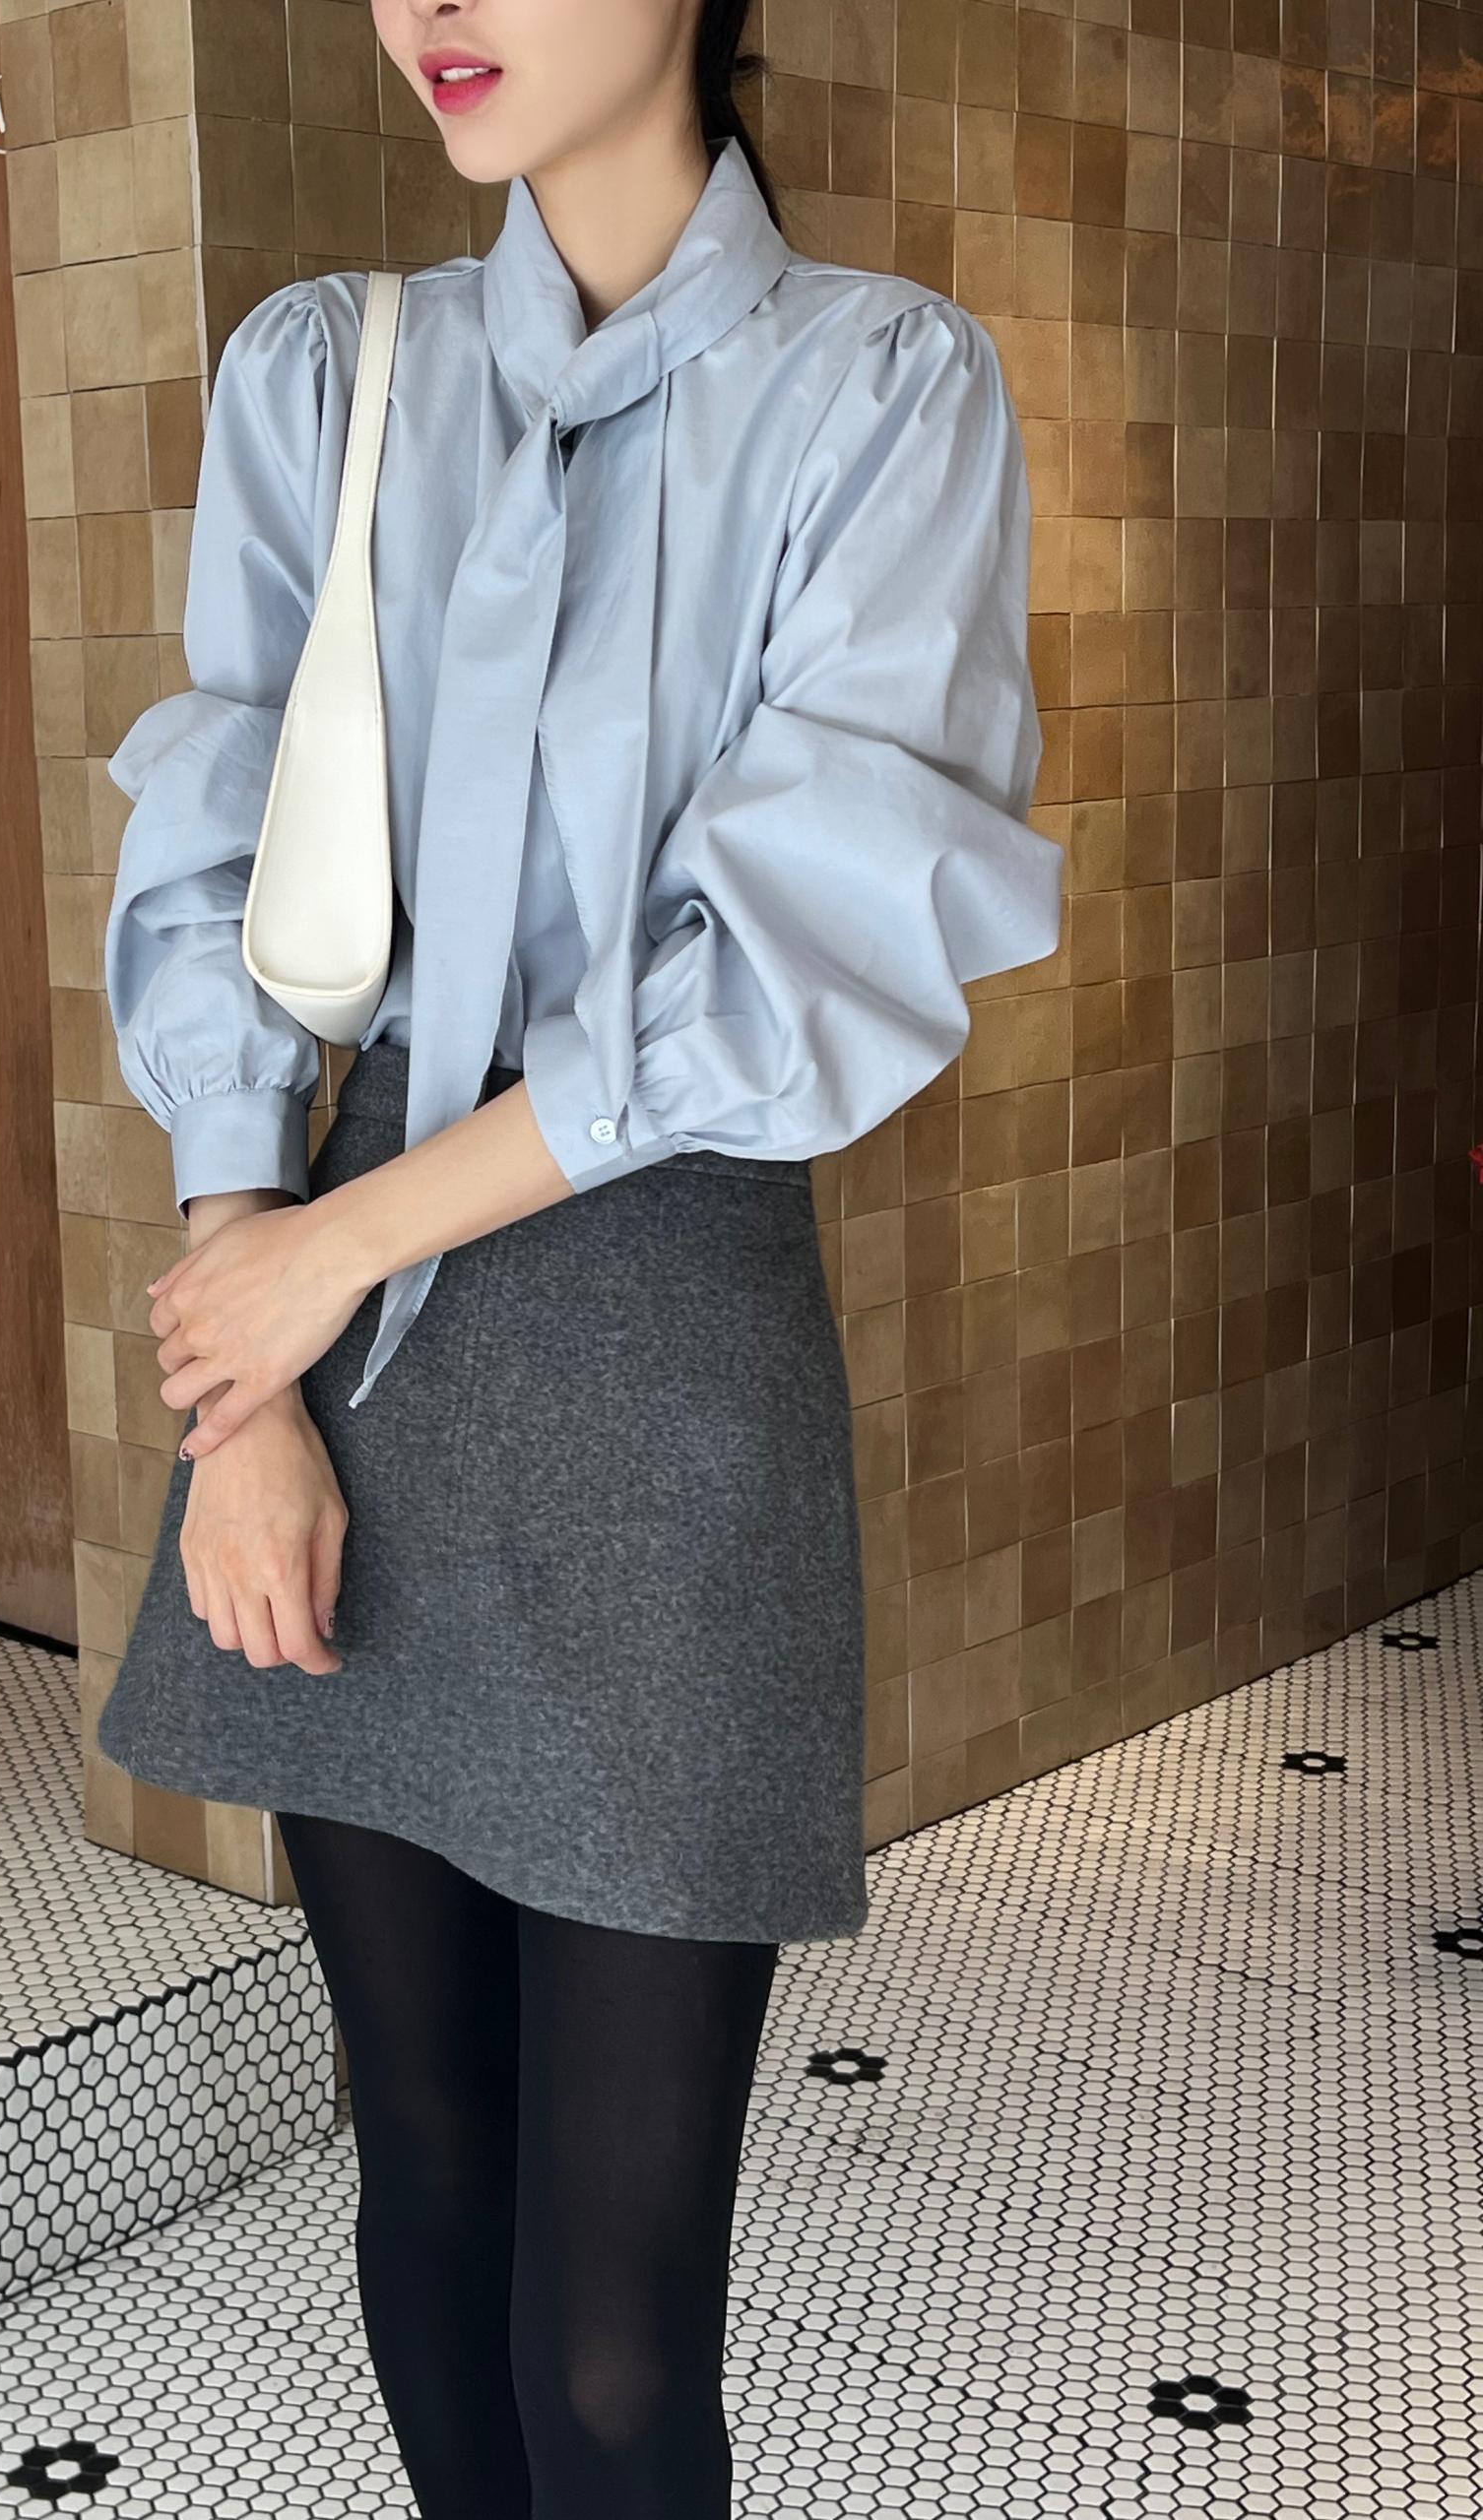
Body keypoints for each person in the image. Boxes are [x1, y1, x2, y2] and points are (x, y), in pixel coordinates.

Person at [95, 1, 1063, 2510]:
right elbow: (213, 866)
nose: (436, 2)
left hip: (661, 1348)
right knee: (425, 2166)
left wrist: (327, 1257)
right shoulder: (328, 373)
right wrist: (254, 1381)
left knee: (620, 2336)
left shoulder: (883, 392)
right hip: (326, 1349)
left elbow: (799, 956)